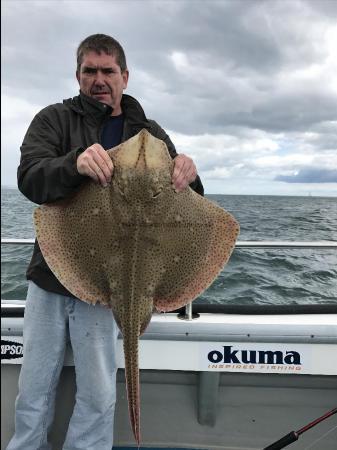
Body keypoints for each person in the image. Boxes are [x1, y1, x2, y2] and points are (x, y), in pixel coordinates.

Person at [7, 34, 204, 450]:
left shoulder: (148, 132)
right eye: (89, 71)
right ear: (77, 75)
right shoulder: (55, 120)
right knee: (34, 389)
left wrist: (189, 170)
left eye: (108, 71)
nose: (99, 79)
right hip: (51, 274)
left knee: (98, 395)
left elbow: (189, 200)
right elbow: (29, 176)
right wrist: (73, 162)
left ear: (125, 76)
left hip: (109, 288)